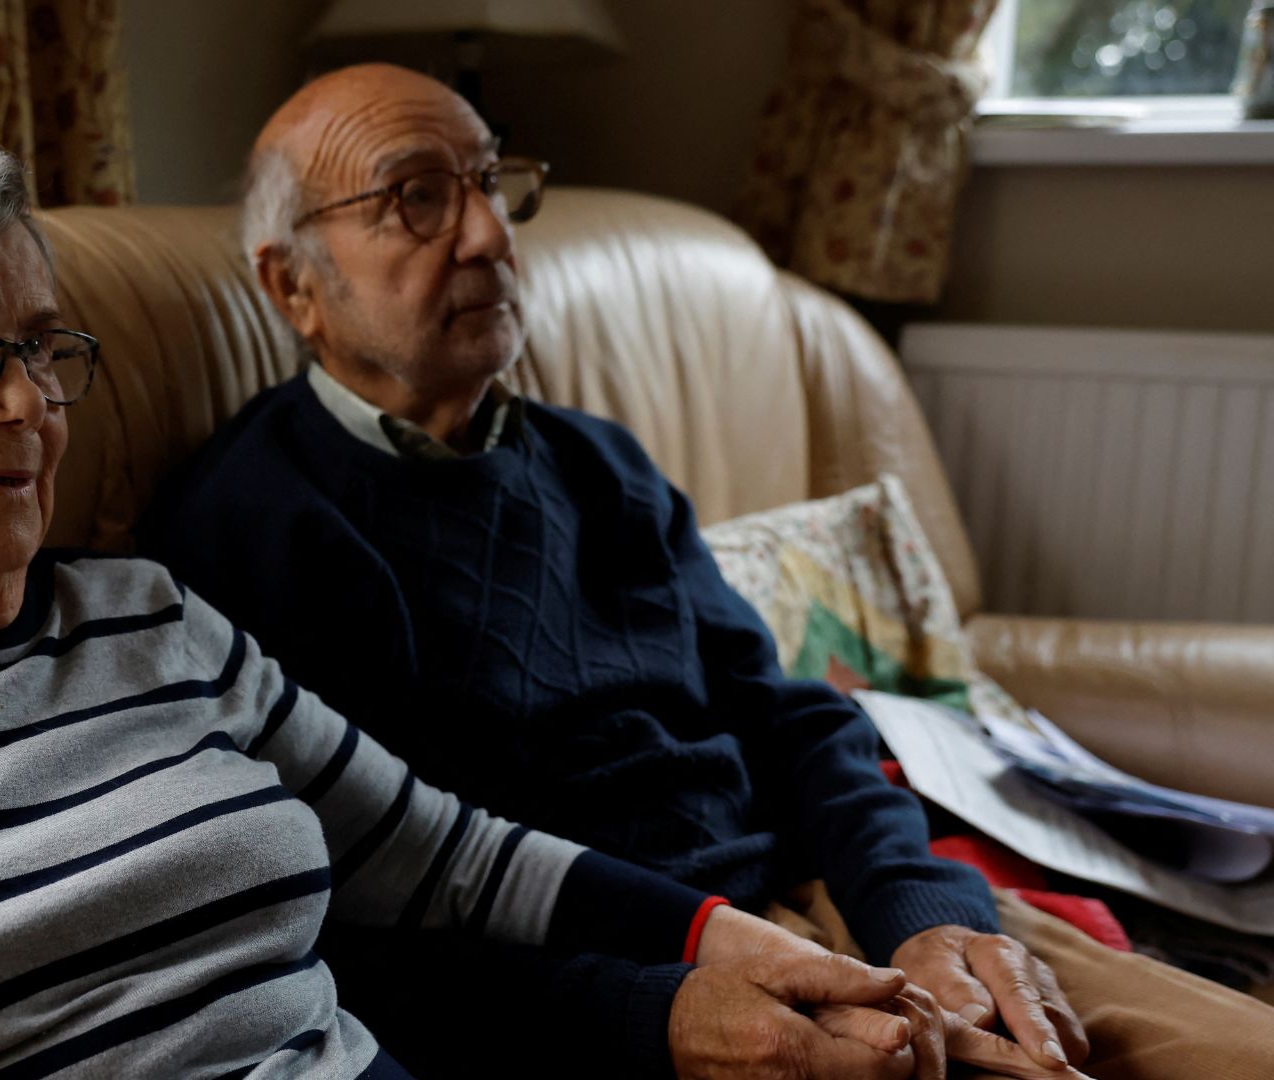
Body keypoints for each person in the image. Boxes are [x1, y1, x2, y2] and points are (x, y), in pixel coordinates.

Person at [0, 130, 998, 1080]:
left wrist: (737, 945)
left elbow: (454, 861)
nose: (28, 406)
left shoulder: (145, 618)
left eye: (45, 345)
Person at [135, 63, 1274, 1079]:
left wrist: (917, 907)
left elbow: (788, 721)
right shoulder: (255, 527)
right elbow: (349, 920)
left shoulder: (598, 461)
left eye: (492, 182)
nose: (488, 235)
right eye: (418, 198)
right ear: (293, 287)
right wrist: (658, 1015)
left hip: (828, 899)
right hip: (633, 987)